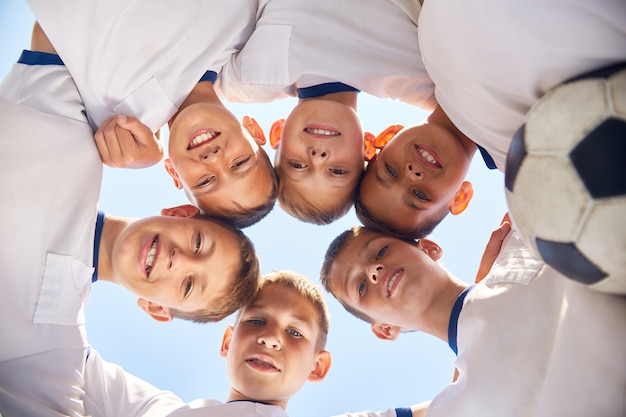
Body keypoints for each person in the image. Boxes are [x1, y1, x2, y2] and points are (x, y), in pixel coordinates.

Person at [0, 23, 260, 417]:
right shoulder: (77, 146)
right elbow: (56, 27)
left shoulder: (55, 351)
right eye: (197, 244)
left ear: (156, 309)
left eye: (189, 285)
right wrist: (136, 110)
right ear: (179, 213)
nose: (179, 260)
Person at [355, 0, 626, 239]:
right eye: (420, 196)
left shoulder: (424, 48)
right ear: (460, 197)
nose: (411, 175)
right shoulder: (529, 158)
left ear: (387, 136)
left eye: (390, 171)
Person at [318, 220, 626, 417]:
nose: (373, 270)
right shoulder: (454, 408)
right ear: (385, 329)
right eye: (359, 286)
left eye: (381, 251)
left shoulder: (518, 237)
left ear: (428, 247)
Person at [25, 0, 278, 228]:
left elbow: (47, 33)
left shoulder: (113, 118)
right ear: (254, 131)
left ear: (172, 173)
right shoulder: (246, 28)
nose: (214, 159)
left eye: (205, 181)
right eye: (240, 163)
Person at [215, 0, 435, 224]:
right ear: (367, 147)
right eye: (337, 171)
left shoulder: (248, 80)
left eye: (298, 165)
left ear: (278, 133)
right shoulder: (420, 81)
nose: (318, 158)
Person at [80, 270, 332, 417]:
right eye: (256, 321)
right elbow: (73, 362)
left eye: (295, 332)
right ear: (227, 342)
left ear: (317, 366)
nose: (270, 338)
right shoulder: (157, 410)